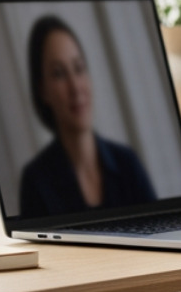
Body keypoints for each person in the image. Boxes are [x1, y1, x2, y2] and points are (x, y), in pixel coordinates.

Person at [18, 15, 158, 216]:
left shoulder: (127, 162)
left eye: (79, 68)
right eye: (59, 73)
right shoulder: (36, 181)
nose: (75, 87)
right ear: (42, 91)